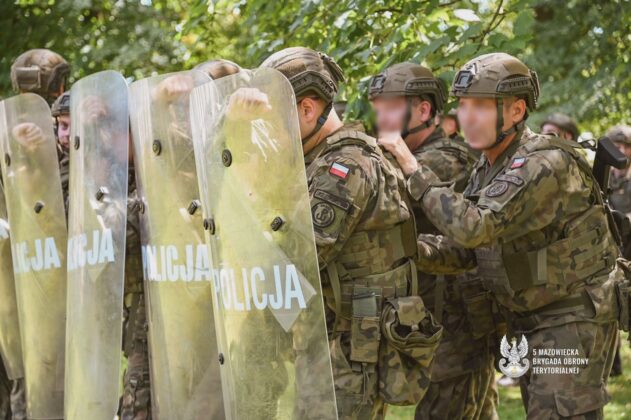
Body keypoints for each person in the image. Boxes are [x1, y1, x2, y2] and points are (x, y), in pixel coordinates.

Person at [380, 52, 622, 419]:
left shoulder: (541, 162)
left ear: (516, 111)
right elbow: (468, 251)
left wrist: (412, 168)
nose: (467, 117)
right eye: (463, 106)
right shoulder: (491, 164)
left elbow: (475, 227)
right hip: (531, 317)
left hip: (570, 317)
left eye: (481, 105)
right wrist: (409, 250)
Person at [259, 47, 442, 419]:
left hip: (347, 351)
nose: (264, 132)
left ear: (307, 110)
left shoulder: (343, 167)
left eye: (270, 119)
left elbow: (300, 256)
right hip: (333, 341)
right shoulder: (320, 160)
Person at [369, 62, 496, 420]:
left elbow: (379, 195)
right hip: (430, 315)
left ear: (423, 110)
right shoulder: (400, 157)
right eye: (377, 108)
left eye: (391, 107)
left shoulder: (448, 158)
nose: (381, 118)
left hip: (456, 321)